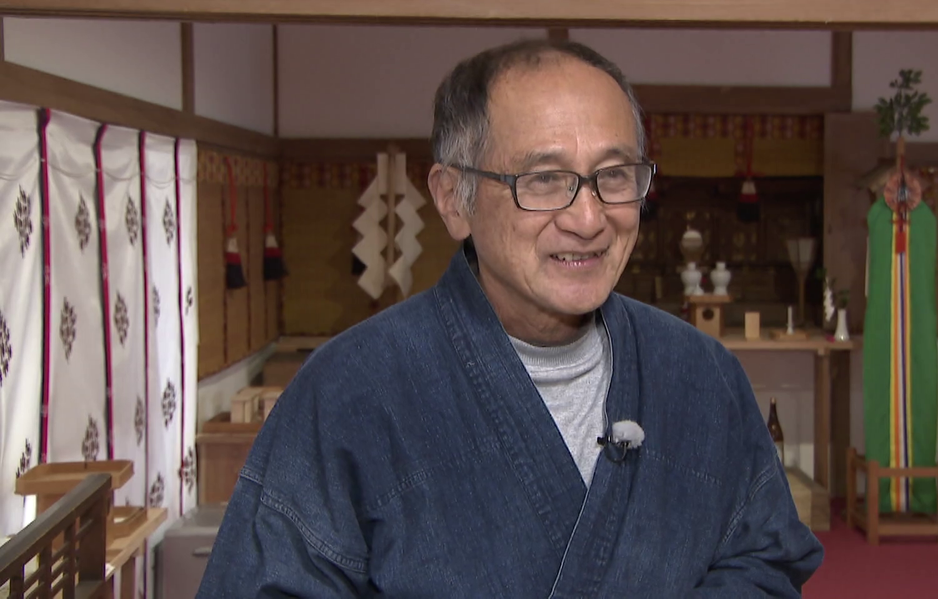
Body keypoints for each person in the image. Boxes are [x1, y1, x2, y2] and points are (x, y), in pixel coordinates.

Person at [196, 39, 823, 597]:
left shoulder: (701, 375)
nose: (587, 217)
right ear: (453, 199)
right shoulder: (347, 391)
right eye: (544, 179)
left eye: (614, 175)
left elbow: (764, 560)